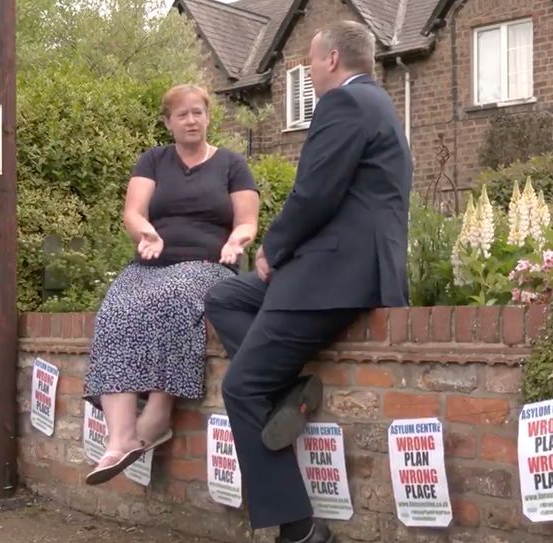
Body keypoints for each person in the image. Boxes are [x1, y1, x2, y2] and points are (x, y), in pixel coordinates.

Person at [204, 20, 412, 543]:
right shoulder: (381, 104)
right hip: (344, 272)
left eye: (311, 61)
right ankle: (288, 392)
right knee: (223, 295)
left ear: (333, 60)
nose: (309, 71)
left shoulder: (342, 105)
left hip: (330, 278)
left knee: (241, 386)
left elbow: (315, 193)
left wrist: (272, 247)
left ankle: (299, 529)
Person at [83, 84, 259, 486]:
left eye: (198, 112)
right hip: (153, 263)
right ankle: (120, 438)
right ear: (168, 122)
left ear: (208, 117)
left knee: (175, 297)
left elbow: (247, 220)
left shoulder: (232, 164)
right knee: (116, 307)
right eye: (182, 115)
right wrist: (146, 233)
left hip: (208, 265)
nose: (192, 120)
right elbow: (133, 212)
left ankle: (158, 413)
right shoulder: (153, 161)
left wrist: (237, 240)